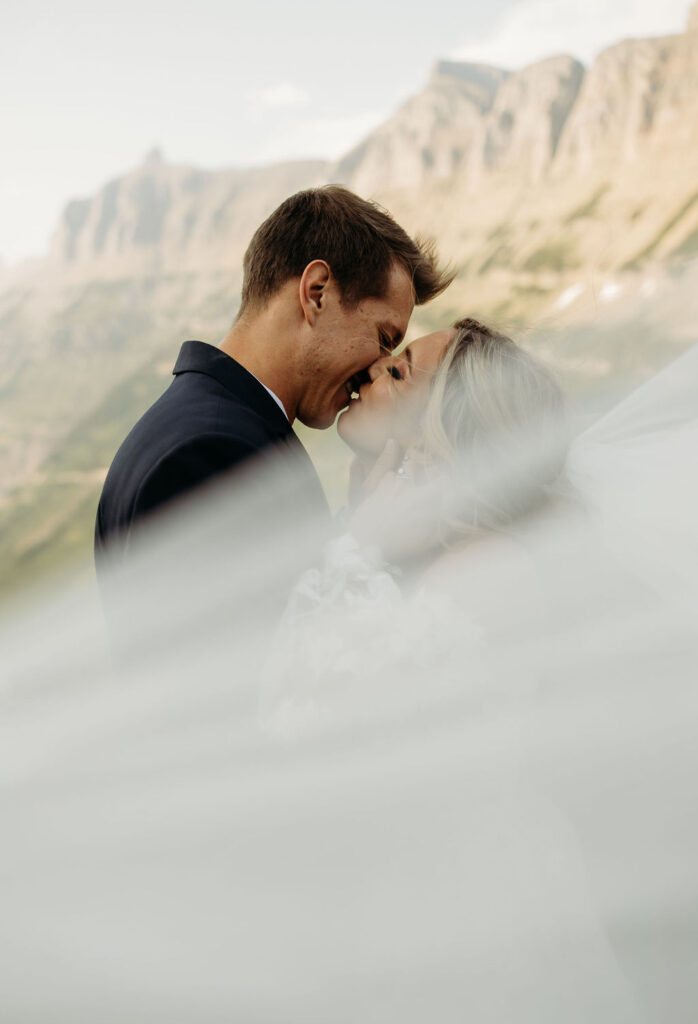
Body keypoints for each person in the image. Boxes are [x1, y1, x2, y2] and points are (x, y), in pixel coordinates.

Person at [94, 185, 453, 564]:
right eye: (383, 338)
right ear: (317, 294)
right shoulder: (213, 455)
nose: (376, 368)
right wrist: (368, 546)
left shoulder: (219, 426)